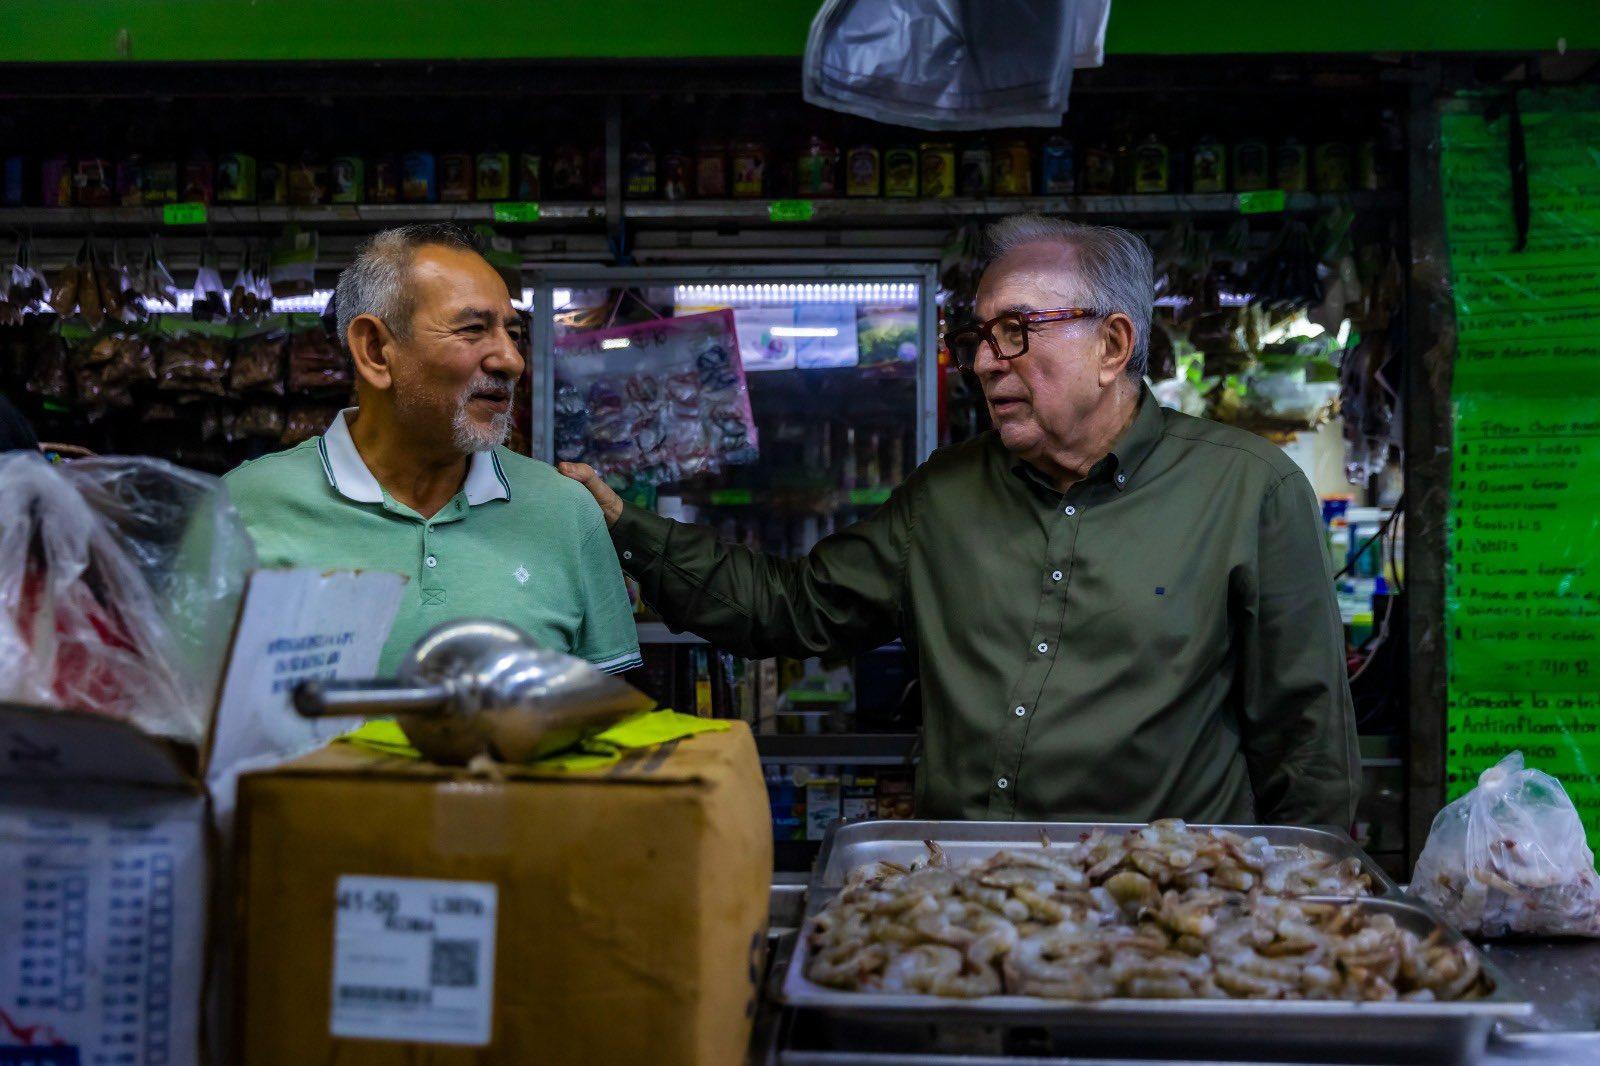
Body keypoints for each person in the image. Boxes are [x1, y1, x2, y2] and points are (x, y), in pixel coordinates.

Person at [563, 214, 1358, 828]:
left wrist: (1302, 911)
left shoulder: (1247, 490)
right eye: (978, 335)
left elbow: (1307, 740)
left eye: (1016, 332)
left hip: (1159, 909)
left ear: (1113, 345)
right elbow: (790, 607)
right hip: (969, 897)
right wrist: (622, 524)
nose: (982, 361)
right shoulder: (947, 495)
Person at [225, 224, 640, 676]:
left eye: (513, 333)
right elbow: (192, 707)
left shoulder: (565, 512)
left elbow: (611, 708)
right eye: (473, 329)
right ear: (375, 351)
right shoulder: (242, 508)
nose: (512, 360)